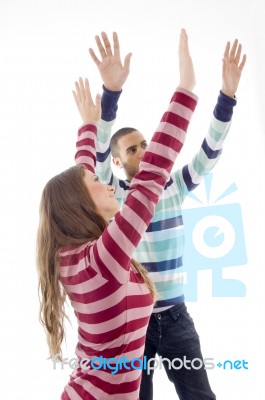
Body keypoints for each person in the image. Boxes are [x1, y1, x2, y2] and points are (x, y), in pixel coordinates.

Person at [36, 30, 198, 400]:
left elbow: (80, 172)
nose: (108, 184)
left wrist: (94, 117)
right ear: (79, 203)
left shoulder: (72, 254)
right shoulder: (103, 259)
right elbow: (152, 176)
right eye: (98, 180)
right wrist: (186, 88)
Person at [88, 30, 246, 399]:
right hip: (134, 321)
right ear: (118, 160)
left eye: (146, 144)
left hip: (176, 317)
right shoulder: (116, 196)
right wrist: (110, 96)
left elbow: (209, 153)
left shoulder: (172, 186)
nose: (143, 151)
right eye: (132, 149)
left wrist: (226, 98)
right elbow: (97, 158)